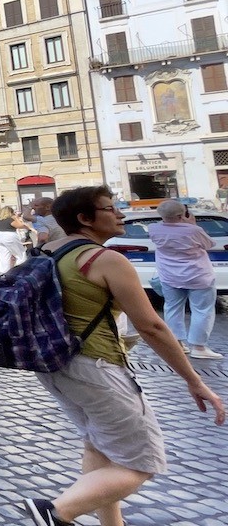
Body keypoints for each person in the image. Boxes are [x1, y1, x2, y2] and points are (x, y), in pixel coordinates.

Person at [23, 187, 224, 526]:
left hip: (55, 365)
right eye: (109, 208)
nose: (120, 214)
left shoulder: (47, 251)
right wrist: (194, 379)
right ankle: (55, 512)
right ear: (85, 219)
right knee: (141, 463)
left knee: (99, 447)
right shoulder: (106, 260)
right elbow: (152, 326)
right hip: (97, 366)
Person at [149, 200, 221, 359]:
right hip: (198, 277)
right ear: (182, 215)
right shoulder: (193, 230)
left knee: (172, 308)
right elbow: (209, 244)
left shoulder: (153, 229)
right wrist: (191, 224)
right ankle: (199, 347)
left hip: (169, 276)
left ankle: (177, 344)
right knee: (202, 310)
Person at [0, 206, 28, 274]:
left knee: (4, 255)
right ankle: (20, 270)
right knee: (20, 254)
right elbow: (20, 226)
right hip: (9, 235)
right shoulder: (9, 219)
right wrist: (16, 218)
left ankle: (4, 272)